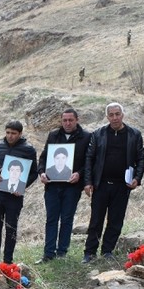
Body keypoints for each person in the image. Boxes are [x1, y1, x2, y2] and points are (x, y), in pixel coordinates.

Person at [83, 103, 144, 263]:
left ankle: (107, 251)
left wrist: (137, 179)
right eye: (111, 115)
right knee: (96, 220)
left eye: (117, 114)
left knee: (116, 220)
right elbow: (89, 159)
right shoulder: (98, 134)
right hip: (101, 184)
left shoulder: (134, 134)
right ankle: (89, 252)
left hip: (122, 185)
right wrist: (88, 182)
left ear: (123, 115)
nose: (115, 117)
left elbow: (140, 159)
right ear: (107, 116)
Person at [37, 108, 91, 263]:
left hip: (72, 186)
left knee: (67, 219)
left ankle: (62, 252)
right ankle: (48, 254)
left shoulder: (86, 137)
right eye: (64, 120)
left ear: (77, 120)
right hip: (52, 185)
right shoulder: (53, 135)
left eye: (70, 120)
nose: (67, 123)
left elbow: (89, 161)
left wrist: (79, 174)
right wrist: (42, 172)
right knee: (51, 219)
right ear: (61, 121)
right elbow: (44, 158)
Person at [0, 120, 38, 269]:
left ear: (20, 134)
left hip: (15, 196)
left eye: (13, 133)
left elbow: (34, 173)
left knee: (11, 227)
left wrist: (23, 186)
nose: (10, 136)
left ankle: (7, 261)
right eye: (7, 133)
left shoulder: (29, 150)